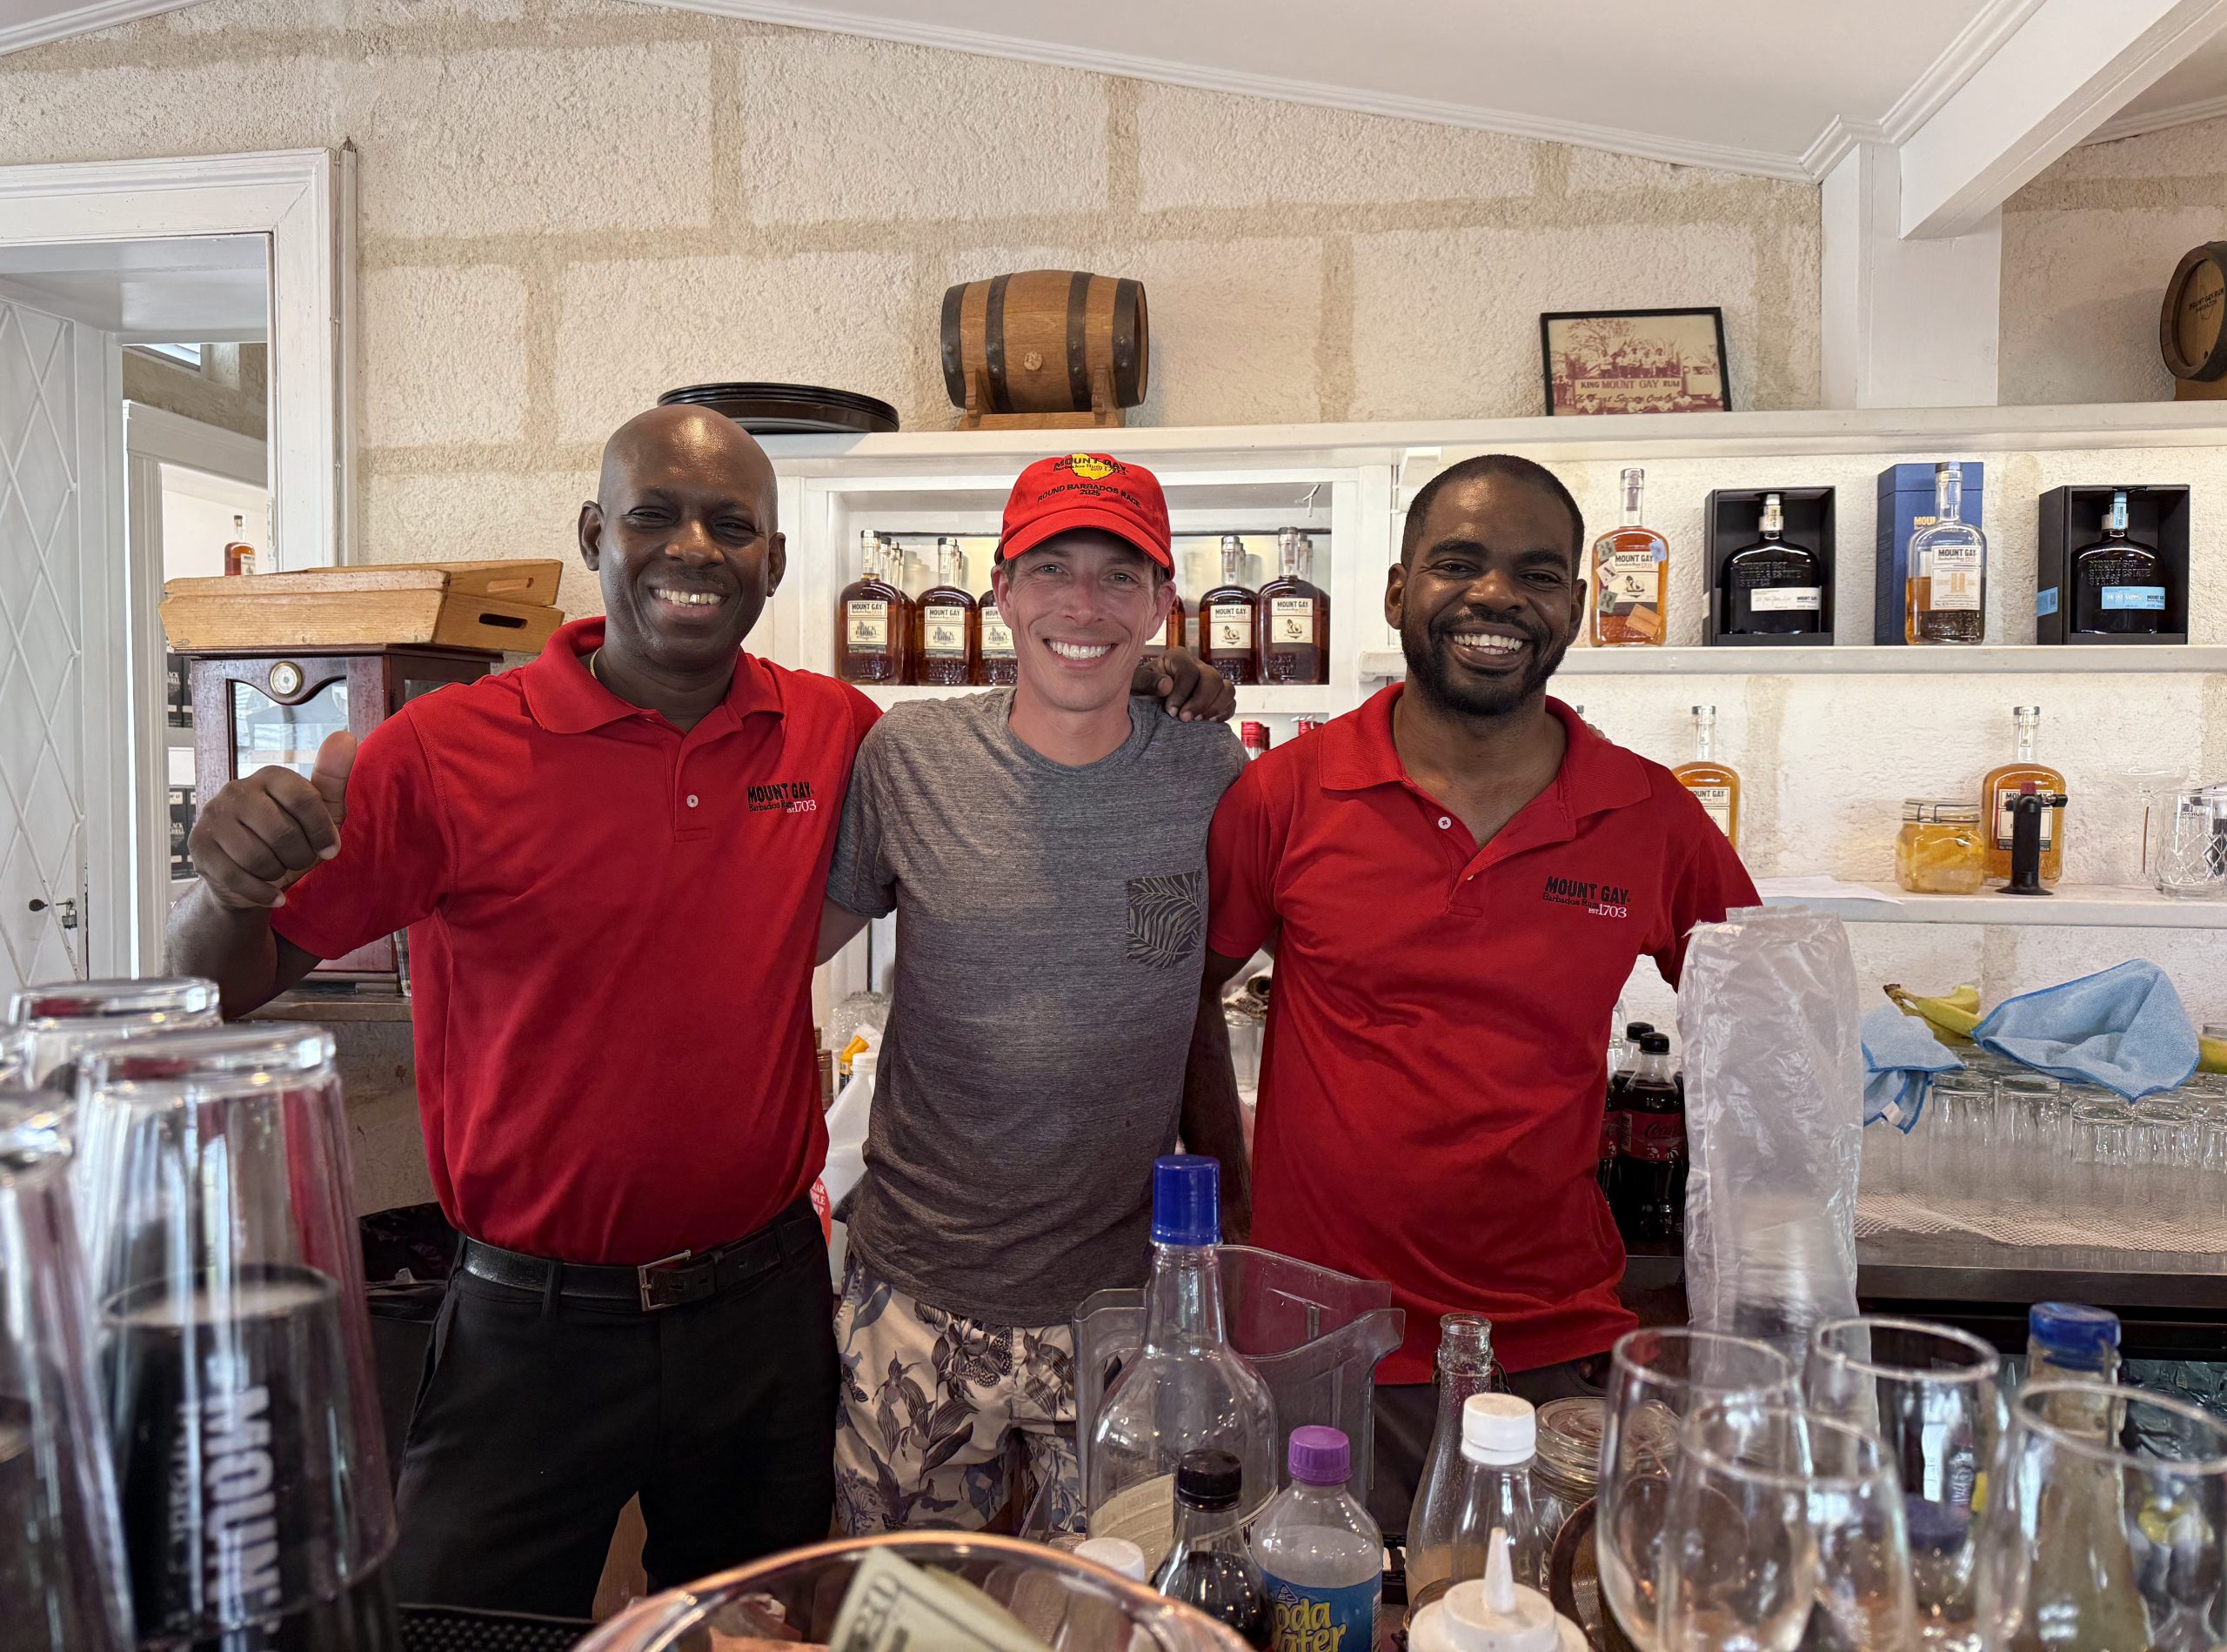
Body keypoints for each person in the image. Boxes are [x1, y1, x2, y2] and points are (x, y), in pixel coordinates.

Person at [165, 407, 1229, 1616]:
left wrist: (1151, 680)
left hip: (758, 1313)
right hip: (531, 1321)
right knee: (460, 1627)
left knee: (761, 1626)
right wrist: (227, 885)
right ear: (594, 536)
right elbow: (212, 987)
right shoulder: (444, 750)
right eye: (654, 516)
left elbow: (1044, 730)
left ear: (773, 561)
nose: (692, 550)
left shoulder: (833, 734)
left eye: (730, 526)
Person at [1186, 453, 1758, 1534]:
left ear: (1575, 608)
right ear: (1397, 592)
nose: (1495, 596)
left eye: (1535, 575)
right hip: (1329, 1348)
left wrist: (1749, 1290)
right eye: (1458, 563)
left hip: (1552, 1346)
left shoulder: (1648, 816)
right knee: (1332, 1607)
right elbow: (1182, 1001)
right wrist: (1234, 1204)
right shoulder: (1286, 794)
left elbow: (1768, 1042)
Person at [817, 451, 1251, 1536]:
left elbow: (1226, 980)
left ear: (1162, 604)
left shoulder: (1207, 771)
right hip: (913, 1296)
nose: (1082, 604)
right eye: (1051, 569)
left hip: (1123, 1313)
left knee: (1115, 1603)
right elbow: (782, 957)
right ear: (1000, 592)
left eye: (1119, 577)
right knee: (904, 1603)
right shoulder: (908, 757)